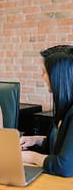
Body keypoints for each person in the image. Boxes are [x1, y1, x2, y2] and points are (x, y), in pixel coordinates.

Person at [20, 45, 73, 177]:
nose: (42, 76)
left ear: (58, 77)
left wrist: (32, 157)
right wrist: (37, 140)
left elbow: (64, 166)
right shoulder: (66, 108)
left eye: (44, 72)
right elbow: (65, 145)